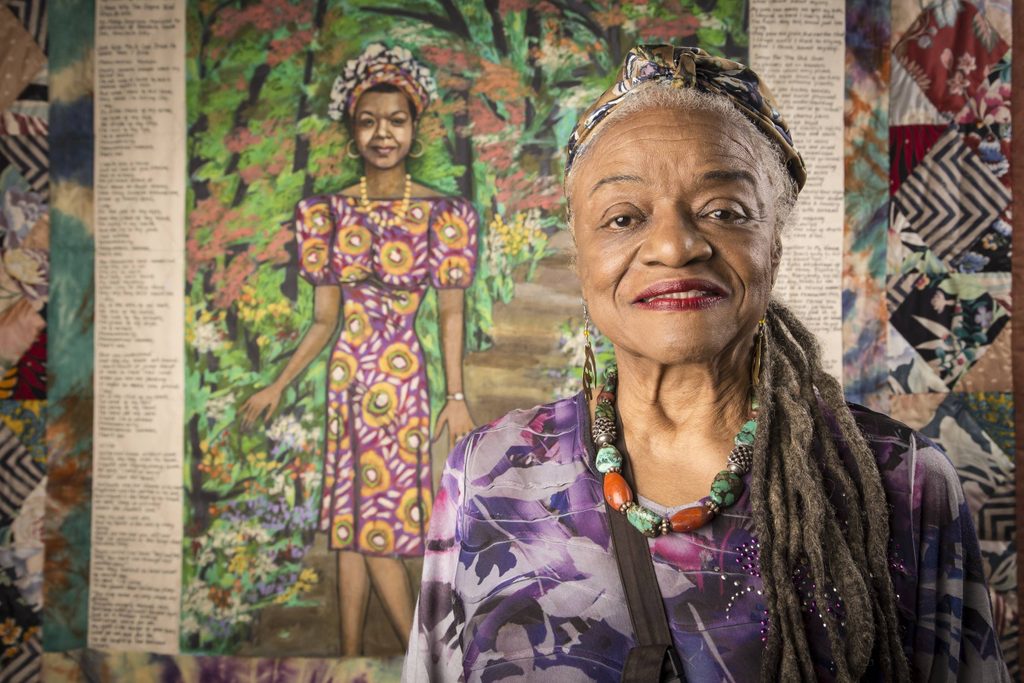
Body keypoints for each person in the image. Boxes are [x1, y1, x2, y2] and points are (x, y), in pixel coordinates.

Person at [403, 45, 1008, 682]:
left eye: (723, 211)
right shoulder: (486, 475)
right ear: (580, 257)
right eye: (623, 217)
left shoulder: (903, 483)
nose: (674, 246)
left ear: (773, 246)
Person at [240, 43, 477, 655]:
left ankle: (424, 661)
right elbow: (324, 320)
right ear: (352, 130)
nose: (382, 134)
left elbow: (451, 311)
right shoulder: (328, 212)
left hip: (399, 383)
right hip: (346, 377)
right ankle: (349, 658)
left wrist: (455, 395)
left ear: (414, 128)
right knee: (351, 527)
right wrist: (279, 383)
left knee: (379, 532)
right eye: (368, 121)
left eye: (395, 120)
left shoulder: (442, 214)